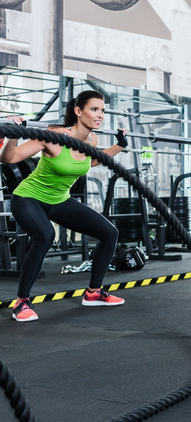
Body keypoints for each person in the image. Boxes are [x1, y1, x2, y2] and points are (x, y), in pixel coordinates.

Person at [1, 90, 128, 322]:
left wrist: (119, 146)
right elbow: (9, 158)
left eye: (102, 110)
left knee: (109, 233)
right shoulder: (53, 136)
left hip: (59, 200)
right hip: (29, 197)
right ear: (78, 112)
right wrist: (12, 136)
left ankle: (93, 293)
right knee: (45, 235)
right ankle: (21, 303)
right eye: (94, 109)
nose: (100, 115)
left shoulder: (93, 140)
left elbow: (91, 160)